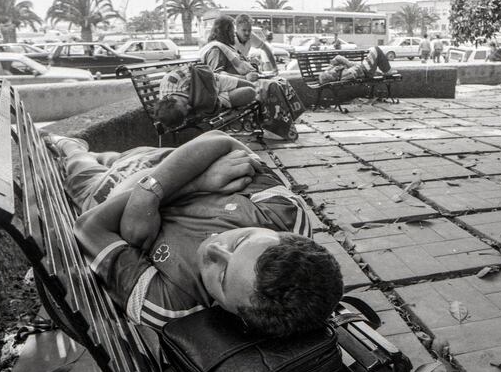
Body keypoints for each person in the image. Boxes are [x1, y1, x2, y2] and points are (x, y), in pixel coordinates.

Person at [44, 130, 344, 337]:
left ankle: (70, 146)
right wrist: (150, 192)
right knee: (118, 158)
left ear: (234, 314)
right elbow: (221, 141)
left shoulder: (168, 304)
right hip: (159, 161)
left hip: (114, 191)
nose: (213, 249)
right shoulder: (284, 214)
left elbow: (89, 226)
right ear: (283, 235)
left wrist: (185, 185)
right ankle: (98, 155)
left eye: (221, 277)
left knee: (82, 167)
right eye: (239, 240)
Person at [152, 62, 257, 129]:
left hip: (214, 82)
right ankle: (224, 99)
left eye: (184, 104)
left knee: (251, 85)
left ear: (170, 99)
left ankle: (227, 78)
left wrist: (207, 90)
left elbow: (200, 69)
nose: (189, 107)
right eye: (186, 110)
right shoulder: (175, 112)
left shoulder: (174, 80)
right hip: (215, 102)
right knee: (251, 92)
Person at [199, 15, 261, 82]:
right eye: (232, 30)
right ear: (225, 32)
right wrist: (244, 78)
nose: (234, 34)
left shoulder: (227, 47)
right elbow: (217, 75)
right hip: (237, 85)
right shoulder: (215, 50)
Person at [319, 46, 395, 84]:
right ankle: (387, 70)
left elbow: (338, 58)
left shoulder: (336, 70)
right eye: (331, 72)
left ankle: (386, 70)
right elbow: (356, 71)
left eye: (329, 71)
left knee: (376, 52)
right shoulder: (344, 75)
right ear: (333, 76)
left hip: (363, 67)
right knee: (376, 50)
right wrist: (347, 65)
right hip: (365, 71)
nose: (334, 69)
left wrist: (337, 63)